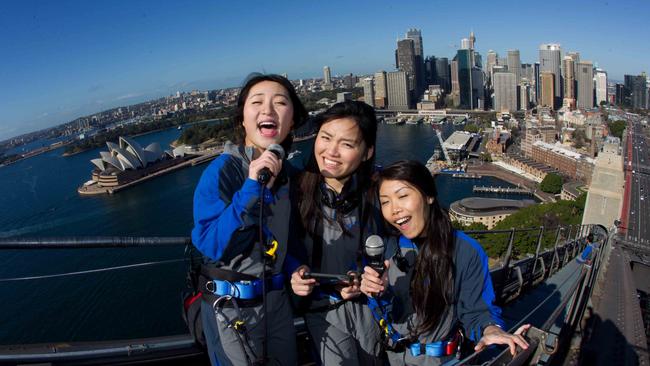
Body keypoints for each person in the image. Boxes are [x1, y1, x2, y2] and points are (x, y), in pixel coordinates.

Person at [360, 160, 530, 365]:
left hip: (442, 360)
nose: (393, 209)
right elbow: (386, 313)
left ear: (429, 196)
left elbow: (477, 310)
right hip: (392, 358)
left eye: (403, 196)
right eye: (385, 202)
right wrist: (377, 291)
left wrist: (491, 330)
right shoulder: (388, 247)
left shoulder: (464, 250)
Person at [191, 73, 308, 366]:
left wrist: (295, 268)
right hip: (230, 308)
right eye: (257, 102)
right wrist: (252, 187)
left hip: (277, 303)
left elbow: (284, 240)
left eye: (280, 103)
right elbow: (212, 245)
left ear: (292, 121)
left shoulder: (289, 176)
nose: (268, 110)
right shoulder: (222, 173)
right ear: (242, 119)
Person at [289, 101, 384, 365]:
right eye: (326, 138)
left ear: (367, 152)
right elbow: (282, 249)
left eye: (347, 144)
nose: (331, 151)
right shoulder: (294, 192)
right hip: (323, 311)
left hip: (371, 307)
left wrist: (372, 275)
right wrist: (294, 274)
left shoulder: (379, 191)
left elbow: (401, 240)